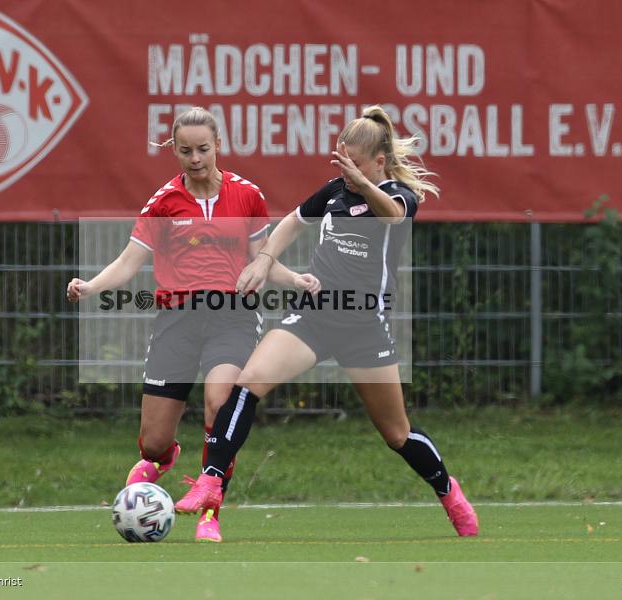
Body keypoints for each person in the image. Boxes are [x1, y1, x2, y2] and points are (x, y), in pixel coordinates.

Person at [175, 105, 479, 537]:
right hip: (315, 315)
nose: (348, 172)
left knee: (397, 434)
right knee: (246, 385)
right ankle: (211, 484)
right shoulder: (336, 190)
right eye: (343, 161)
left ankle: (449, 492)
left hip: (363, 326)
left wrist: (361, 183)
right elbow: (292, 223)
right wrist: (264, 258)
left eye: (356, 164)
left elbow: (392, 214)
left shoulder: (398, 196)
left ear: (379, 162)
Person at [66, 107, 318, 542]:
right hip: (177, 320)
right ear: (175, 151)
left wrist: (295, 279)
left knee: (220, 401)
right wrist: (90, 287)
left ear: (218, 145)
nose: (196, 158)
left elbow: (263, 259)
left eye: (203, 149)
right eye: (185, 151)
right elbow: (129, 262)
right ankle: (165, 459)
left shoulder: (246, 195)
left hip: (233, 317)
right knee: (152, 442)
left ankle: (209, 508)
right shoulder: (163, 202)